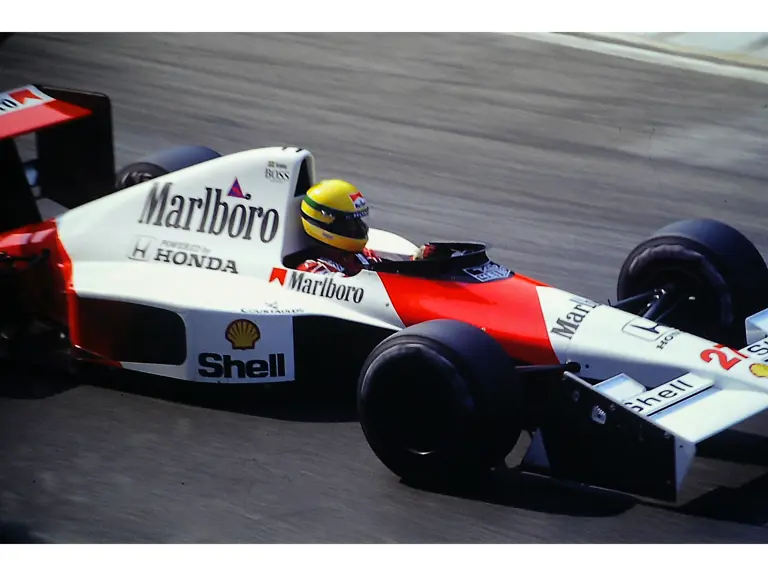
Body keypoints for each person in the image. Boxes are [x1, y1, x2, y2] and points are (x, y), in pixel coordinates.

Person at [296, 179, 438, 276]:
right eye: (350, 223)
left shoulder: (360, 256)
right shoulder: (312, 270)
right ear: (325, 224)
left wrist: (418, 264)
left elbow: (387, 273)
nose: (359, 228)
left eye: (358, 220)